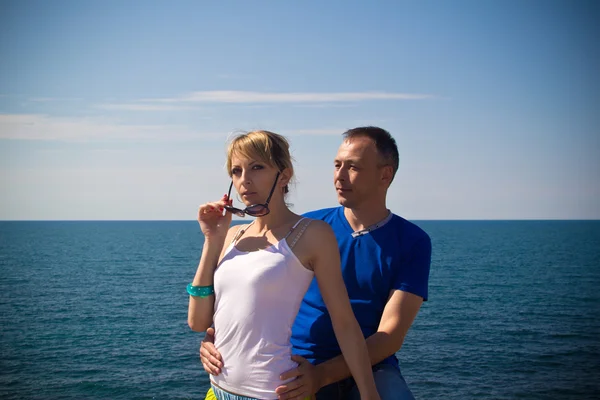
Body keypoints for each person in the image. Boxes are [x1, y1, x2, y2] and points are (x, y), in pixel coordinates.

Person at [200, 127, 432, 400]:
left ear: (385, 174)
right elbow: (251, 293)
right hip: (296, 360)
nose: (339, 175)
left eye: (353, 167)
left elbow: (390, 336)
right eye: (337, 165)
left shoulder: (412, 241)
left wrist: (322, 375)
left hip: (369, 365)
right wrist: (215, 339)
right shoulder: (305, 227)